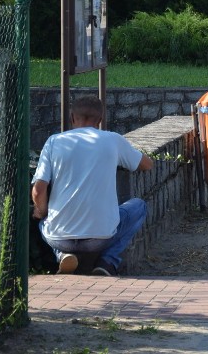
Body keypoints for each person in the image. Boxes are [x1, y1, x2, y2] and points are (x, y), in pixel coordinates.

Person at [31, 95, 153, 276]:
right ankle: (107, 262)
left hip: (59, 236)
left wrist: (41, 211)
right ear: (101, 120)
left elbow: (38, 189)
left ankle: (63, 254)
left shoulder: (54, 141)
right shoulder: (113, 139)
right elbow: (147, 165)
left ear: (72, 117)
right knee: (139, 206)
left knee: (42, 219)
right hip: (101, 237)